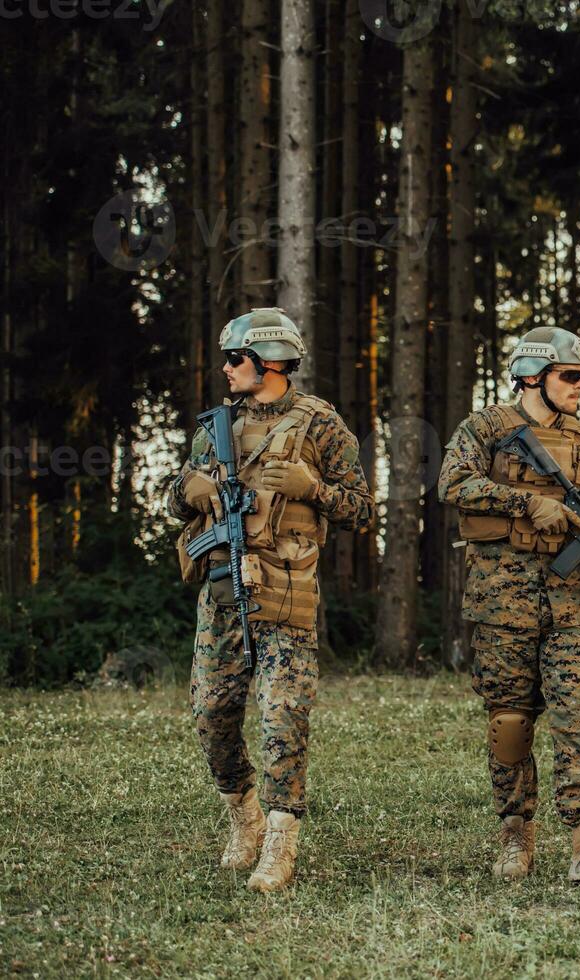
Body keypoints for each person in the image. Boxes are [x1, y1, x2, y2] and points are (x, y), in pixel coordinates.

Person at [166, 307, 373, 892]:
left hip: (286, 592)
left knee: (284, 715)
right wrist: (189, 488)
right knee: (211, 714)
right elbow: (170, 497)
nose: (226, 368)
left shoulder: (321, 424)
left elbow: (362, 509)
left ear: (270, 360)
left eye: (236, 358)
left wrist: (315, 489)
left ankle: (281, 842)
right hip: (222, 593)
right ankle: (245, 816)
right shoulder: (216, 427)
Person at [437, 326, 580, 883]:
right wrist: (525, 503)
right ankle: (514, 833)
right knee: (510, 724)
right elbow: (452, 483)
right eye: (569, 376)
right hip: (502, 605)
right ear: (532, 376)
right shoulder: (486, 429)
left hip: (572, 609)